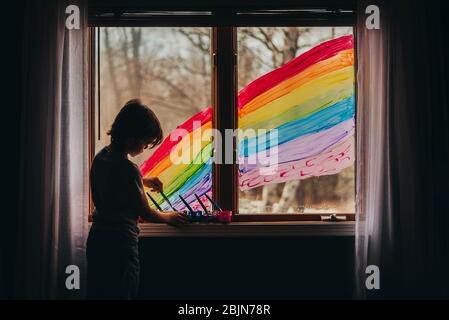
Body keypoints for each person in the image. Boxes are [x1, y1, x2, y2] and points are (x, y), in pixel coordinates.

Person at [86, 99, 188, 300]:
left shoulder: (101, 157)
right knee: (123, 292)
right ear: (132, 139)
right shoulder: (129, 169)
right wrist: (169, 217)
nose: (144, 149)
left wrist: (144, 180)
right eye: (145, 143)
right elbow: (145, 212)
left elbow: (115, 181)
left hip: (98, 241)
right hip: (121, 246)